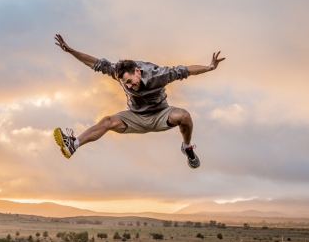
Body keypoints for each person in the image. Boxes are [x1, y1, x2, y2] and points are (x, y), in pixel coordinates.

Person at [53, 34, 225, 169]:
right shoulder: (117, 72)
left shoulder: (158, 74)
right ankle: (73, 145)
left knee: (185, 116)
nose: (130, 86)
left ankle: (187, 148)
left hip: (160, 114)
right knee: (107, 121)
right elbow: (94, 63)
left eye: (130, 81)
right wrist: (70, 51)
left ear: (137, 71)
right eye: (125, 84)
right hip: (135, 116)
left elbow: (185, 70)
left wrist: (209, 67)